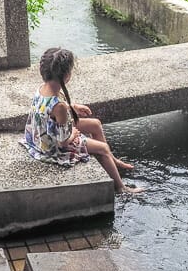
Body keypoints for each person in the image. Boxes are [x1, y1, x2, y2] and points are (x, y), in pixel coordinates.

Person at [22, 47, 143, 194]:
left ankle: (113, 160)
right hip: (51, 146)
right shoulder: (59, 106)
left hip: (41, 133)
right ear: (66, 75)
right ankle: (121, 188)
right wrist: (73, 133)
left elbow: (49, 108)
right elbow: (63, 141)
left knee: (95, 124)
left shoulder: (43, 87)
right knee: (102, 149)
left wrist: (72, 107)